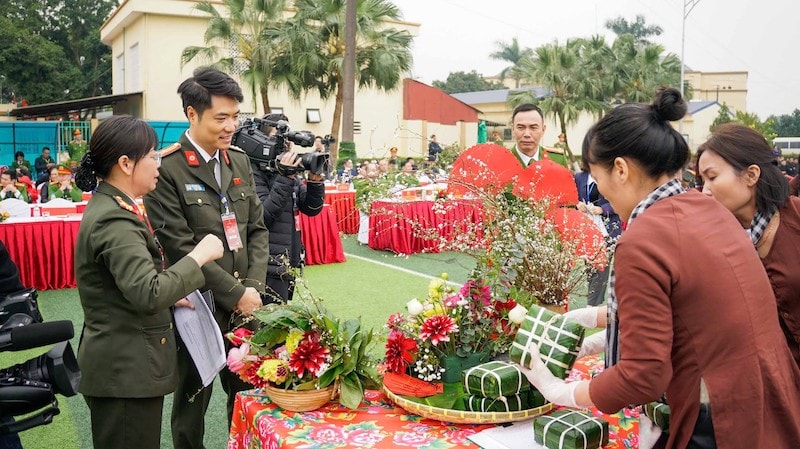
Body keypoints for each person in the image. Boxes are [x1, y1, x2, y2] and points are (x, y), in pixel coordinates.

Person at [518, 87, 800, 449]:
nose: (598, 189)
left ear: (620, 169)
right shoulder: (709, 210)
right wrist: (595, 324)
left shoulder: (642, 240)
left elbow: (643, 376)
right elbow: (693, 311)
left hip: (721, 419)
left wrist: (562, 391)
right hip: (773, 399)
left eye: (596, 176)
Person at [73, 115, 224, 449]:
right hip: (125, 372)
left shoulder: (115, 205)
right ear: (126, 163)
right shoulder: (114, 217)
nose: (159, 164)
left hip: (125, 368)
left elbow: (127, 284)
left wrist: (174, 294)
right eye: (153, 156)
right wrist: (197, 257)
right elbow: (147, 292)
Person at [143, 66, 269, 449]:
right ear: (192, 114)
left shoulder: (240, 162)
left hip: (246, 305)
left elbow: (256, 232)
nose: (231, 126)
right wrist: (235, 292)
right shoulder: (167, 169)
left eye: (235, 117)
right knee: (192, 404)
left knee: (249, 394)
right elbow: (179, 247)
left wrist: (253, 290)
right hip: (196, 305)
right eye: (221, 118)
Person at [697, 123, 800, 367]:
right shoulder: (715, 241)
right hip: (776, 384)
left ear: (751, 175)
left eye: (712, 177)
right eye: (702, 180)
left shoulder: (795, 219)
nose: (705, 191)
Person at [252, 115, 325, 302]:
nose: (287, 146)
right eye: (280, 139)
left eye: (288, 141)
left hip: (287, 261)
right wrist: (284, 177)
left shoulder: (287, 172)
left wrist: (315, 182)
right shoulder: (252, 171)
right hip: (266, 266)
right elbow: (263, 217)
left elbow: (311, 208)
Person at [574, 134, 621, 306]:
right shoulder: (579, 177)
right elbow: (572, 197)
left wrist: (602, 209)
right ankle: (595, 299)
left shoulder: (613, 177)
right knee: (590, 265)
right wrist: (577, 204)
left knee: (601, 266)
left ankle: (592, 304)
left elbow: (620, 201)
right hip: (586, 226)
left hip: (606, 228)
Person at [509, 103, 568, 168]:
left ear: (543, 130)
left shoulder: (557, 159)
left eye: (533, 127)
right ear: (513, 129)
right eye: (521, 127)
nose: (527, 134)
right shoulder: (501, 162)